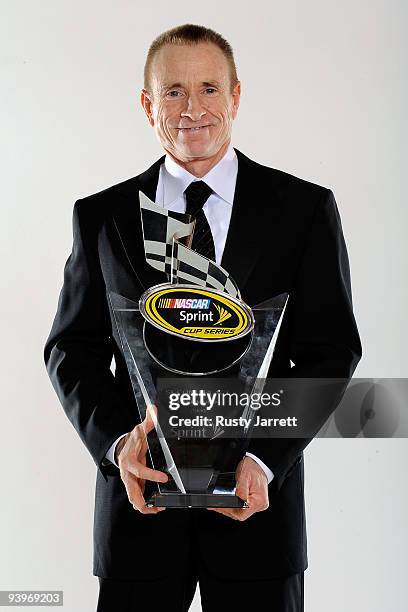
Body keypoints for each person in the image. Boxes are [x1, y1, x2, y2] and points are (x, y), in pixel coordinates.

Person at [44, 23, 362, 612]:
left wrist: (266, 459)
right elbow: (72, 349)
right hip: (138, 516)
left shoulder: (302, 210)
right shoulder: (101, 217)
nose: (193, 109)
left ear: (237, 96)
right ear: (147, 104)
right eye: (173, 92)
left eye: (210, 89)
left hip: (257, 517)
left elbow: (331, 349)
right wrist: (119, 446)